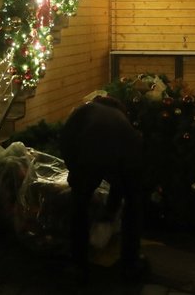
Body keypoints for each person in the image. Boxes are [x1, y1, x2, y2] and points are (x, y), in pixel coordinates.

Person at [59, 96, 148, 282]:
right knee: (134, 204)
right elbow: (121, 180)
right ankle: (130, 264)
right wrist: (111, 209)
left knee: (79, 206)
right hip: (128, 149)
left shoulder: (84, 111)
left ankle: (78, 265)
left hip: (89, 149)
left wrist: (75, 172)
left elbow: (65, 139)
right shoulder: (121, 119)